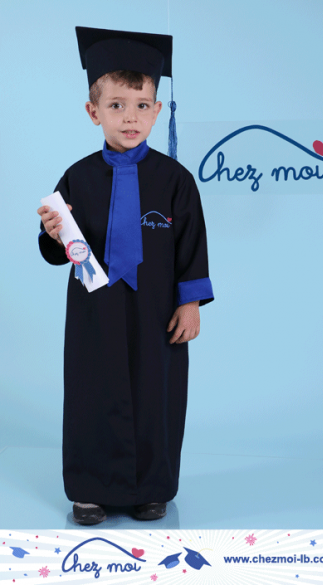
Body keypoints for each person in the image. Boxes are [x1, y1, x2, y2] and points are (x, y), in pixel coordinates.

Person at [37, 26, 214, 525]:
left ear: (157, 111)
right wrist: (52, 233)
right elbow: (58, 250)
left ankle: (150, 489)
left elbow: (192, 245)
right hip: (95, 309)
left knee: (157, 393)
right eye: (116, 105)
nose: (130, 117)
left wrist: (190, 303)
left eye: (141, 106)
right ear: (93, 111)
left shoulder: (175, 181)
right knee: (91, 391)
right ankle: (89, 490)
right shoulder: (76, 178)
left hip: (158, 310)